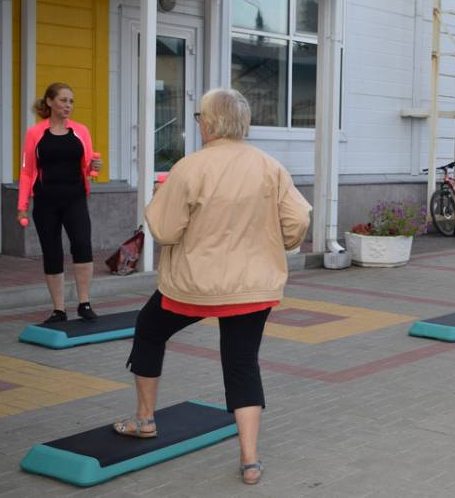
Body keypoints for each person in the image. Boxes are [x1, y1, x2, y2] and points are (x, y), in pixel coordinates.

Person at [111, 88, 311, 485]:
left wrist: (159, 198)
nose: (198, 122)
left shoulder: (190, 167)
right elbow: (299, 219)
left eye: (200, 116)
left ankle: (145, 419)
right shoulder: (269, 166)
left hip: (193, 285)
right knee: (241, 363)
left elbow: (165, 231)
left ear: (211, 122)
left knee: (149, 330)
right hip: (253, 287)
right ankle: (250, 461)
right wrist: (278, 243)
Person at [18, 83, 101, 324]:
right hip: (45, 202)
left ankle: (84, 303)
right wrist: (21, 206)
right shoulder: (35, 133)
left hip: (74, 198)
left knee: (82, 245)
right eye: (64, 100)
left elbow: (87, 167)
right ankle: (59, 310)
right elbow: (26, 172)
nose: (68, 106)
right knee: (52, 253)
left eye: (71, 102)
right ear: (50, 102)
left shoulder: (81, 131)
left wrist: (94, 168)